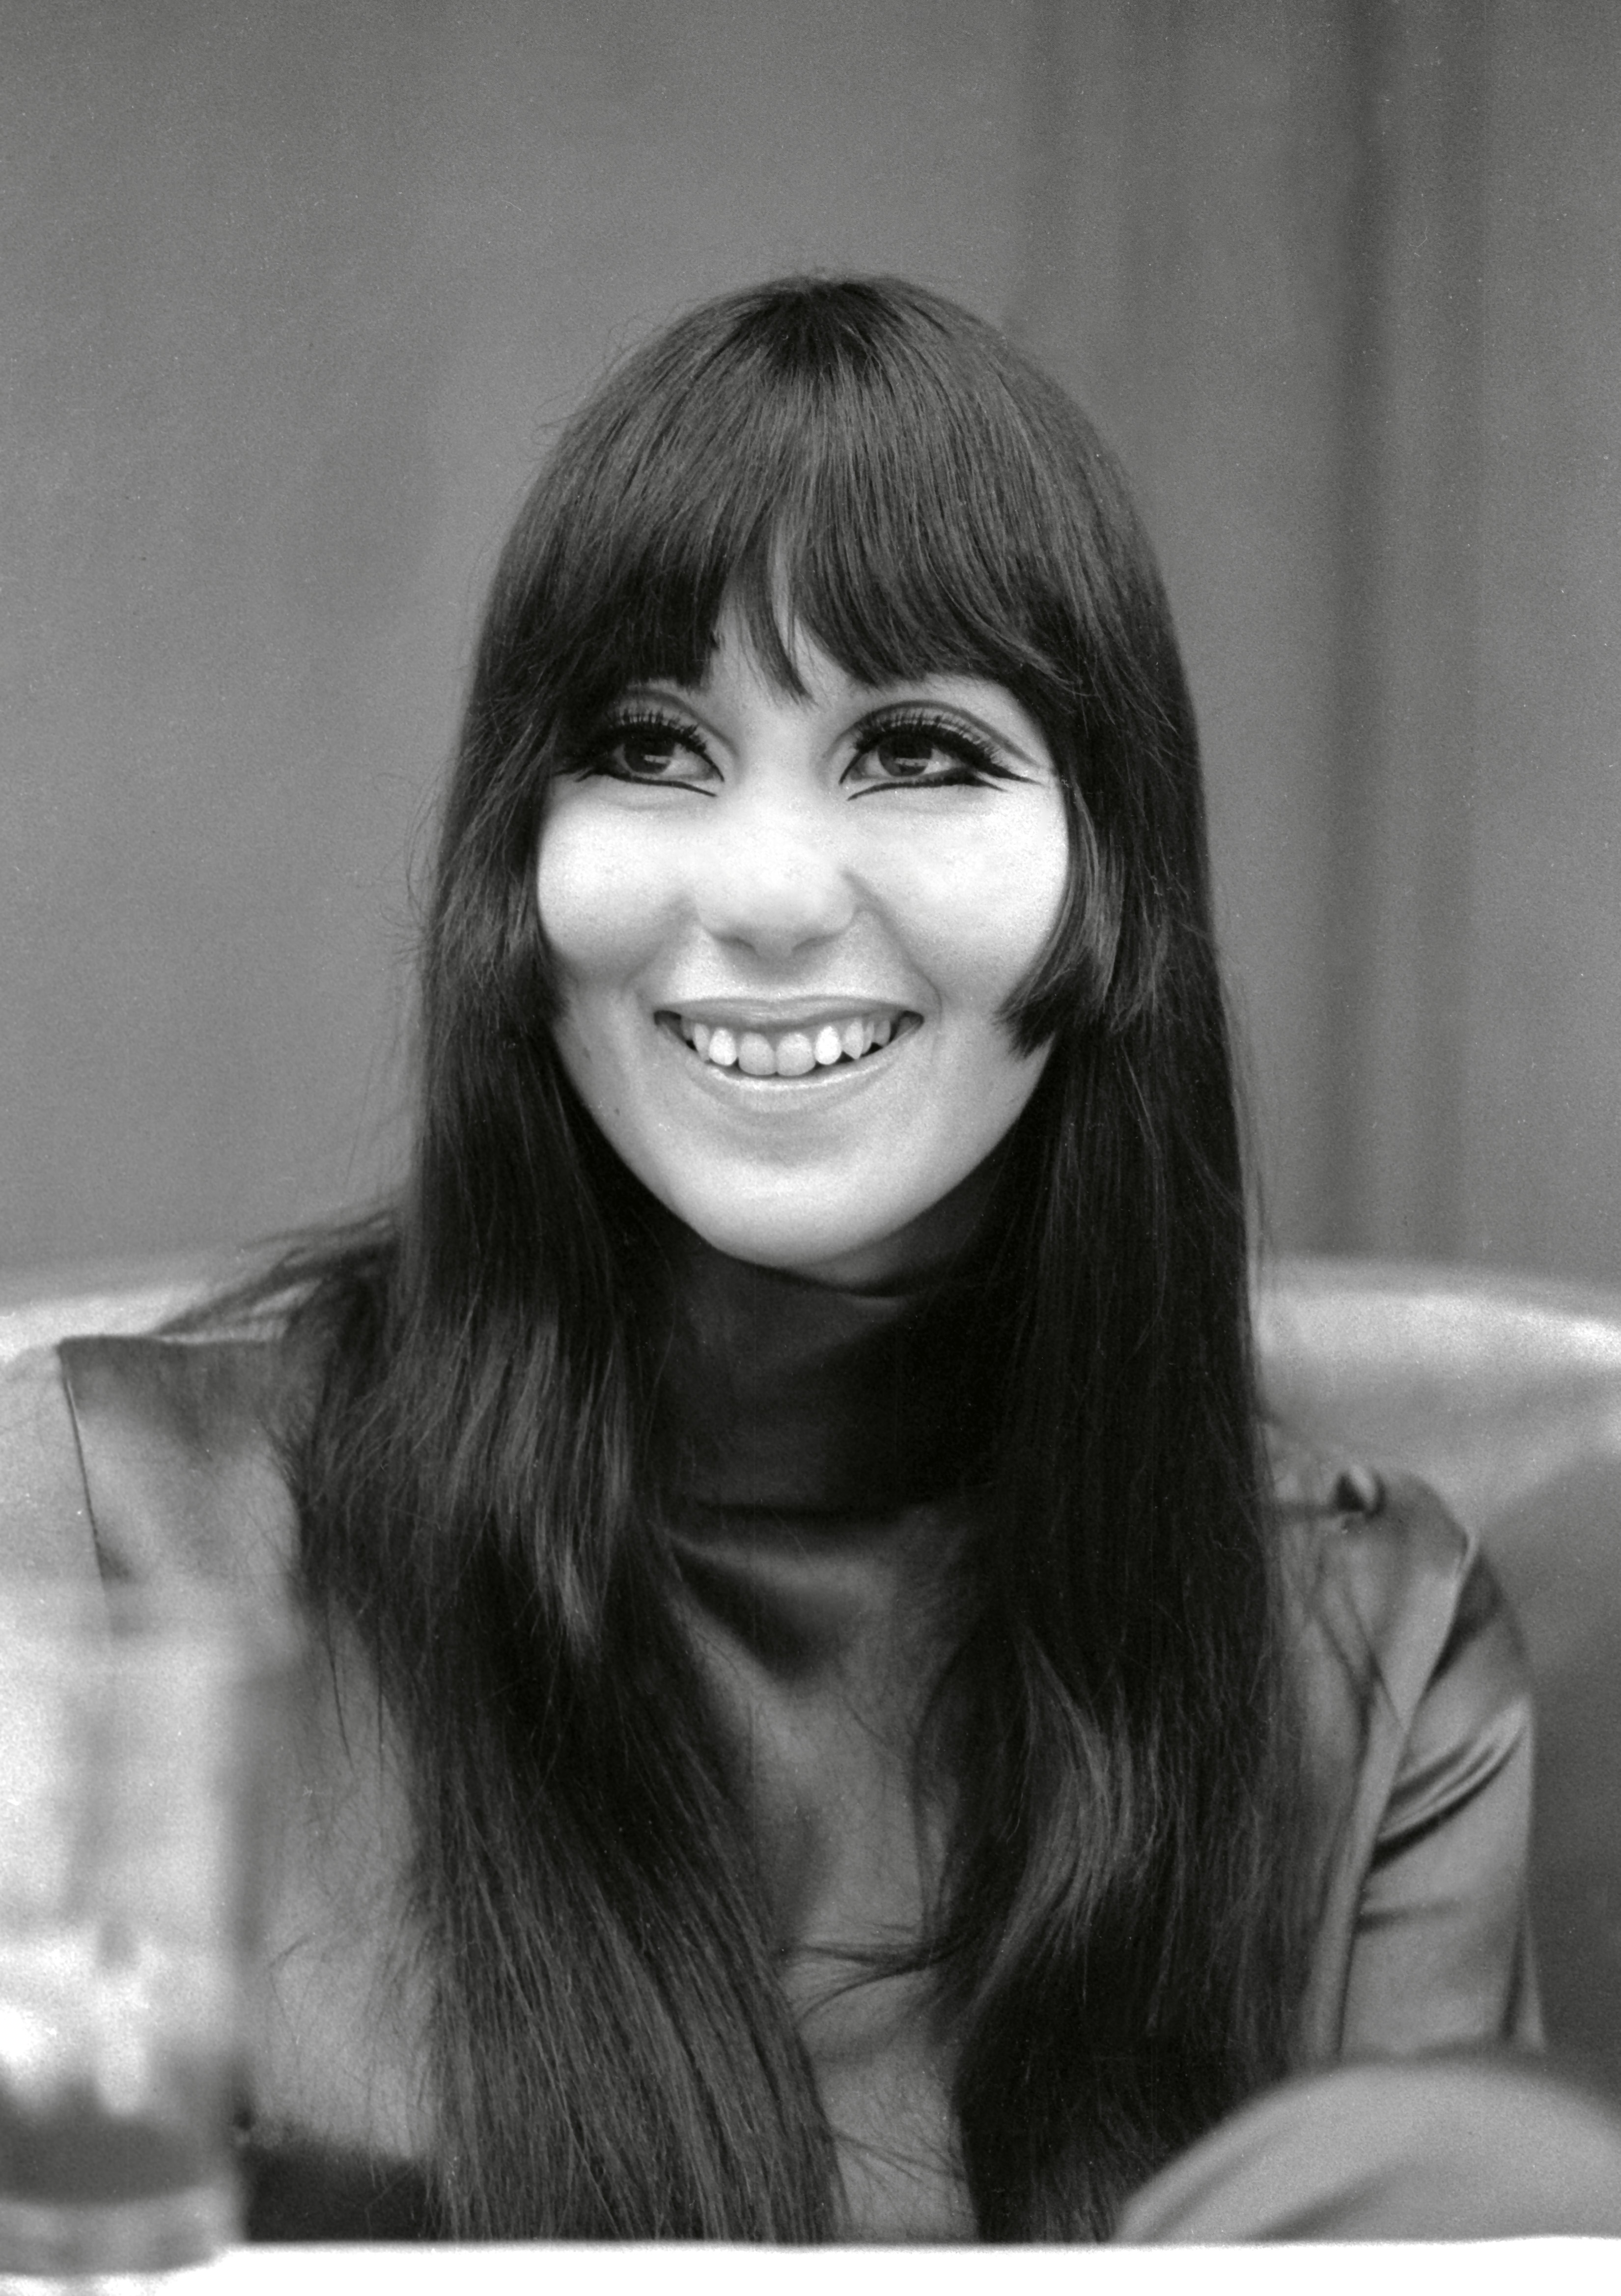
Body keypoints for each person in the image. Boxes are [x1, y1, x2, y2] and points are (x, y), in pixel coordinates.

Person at [2, 275, 1619, 2244]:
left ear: (1116, 881)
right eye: (652, 746)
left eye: (919, 751)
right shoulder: (99, 1539)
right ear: (518, 858)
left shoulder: (1358, 1670)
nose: (762, 891)